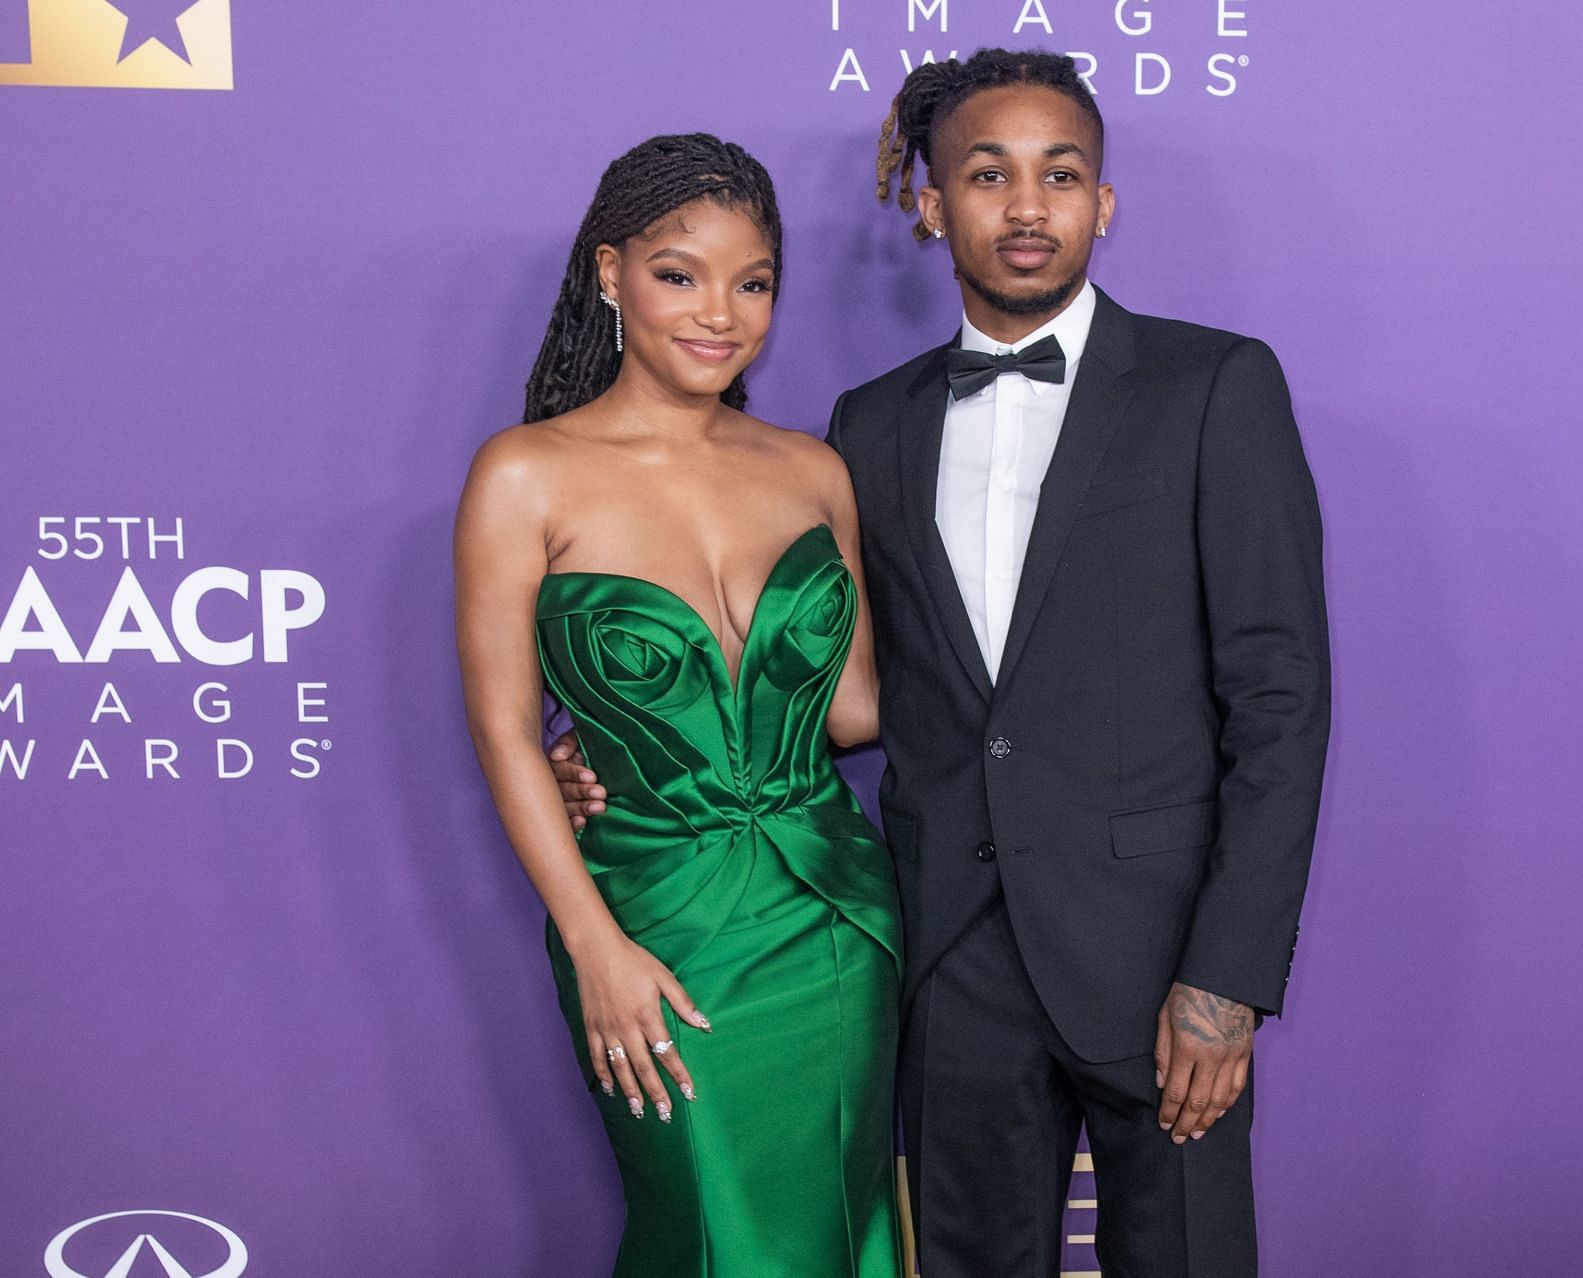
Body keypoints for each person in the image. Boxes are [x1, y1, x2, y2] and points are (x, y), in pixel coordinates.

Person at [554, 48, 1330, 1277]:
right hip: (947, 952)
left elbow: (1281, 704)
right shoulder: (871, 423)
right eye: (987, 174)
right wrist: (622, 735)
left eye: (1061, 175)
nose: (1027, 207)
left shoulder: (1215, 386)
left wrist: (1225, 980)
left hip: (1160, 961)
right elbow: (847, 687)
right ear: (930, 205)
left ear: (1102, 204)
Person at [454, 134, 904, 1278]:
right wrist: (595, 943)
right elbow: (506, 731)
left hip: (836, 913)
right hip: (653, 921)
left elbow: (852, 712)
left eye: (753, 283)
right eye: (679, 274)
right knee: (710, 1230)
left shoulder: (813, 470)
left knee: (838, 1230)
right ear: (610, 274)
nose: (721, 313)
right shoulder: (525, 474)